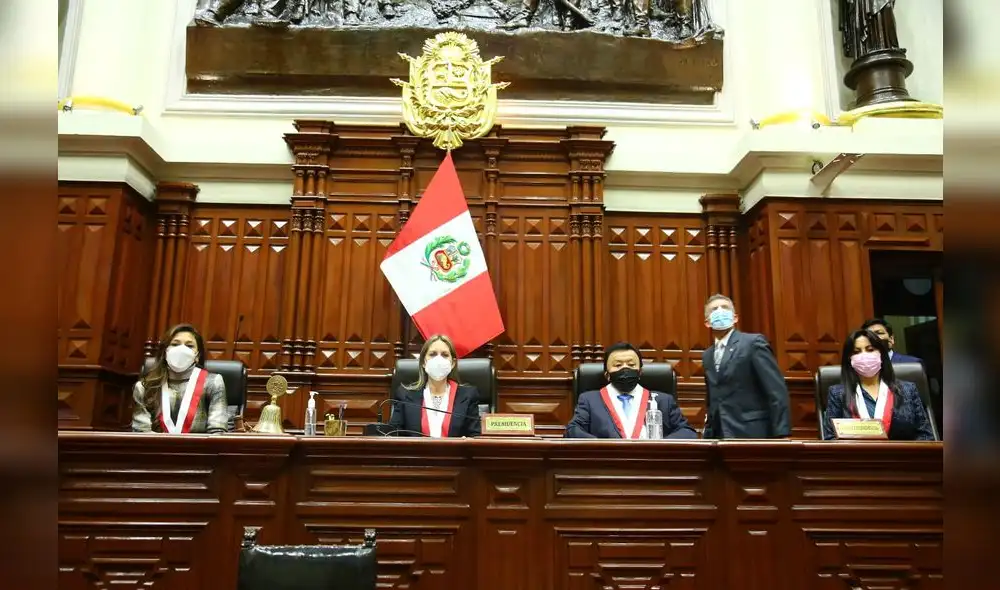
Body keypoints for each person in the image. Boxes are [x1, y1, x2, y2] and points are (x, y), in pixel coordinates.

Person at [702, 294, 790, 438]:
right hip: (719, 435)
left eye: (725, 308)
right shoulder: (707, 355)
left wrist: (782, 433)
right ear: (707, 322)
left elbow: (776, 390)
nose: (719, 311)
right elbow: (713, 398)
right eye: (714, 309)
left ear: (735, 318)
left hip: (752, 432)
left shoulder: (753, 343)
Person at [566, 342, 697, 439]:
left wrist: (660, 446)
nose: (625, 369)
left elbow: (687, 432)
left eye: (631, 365)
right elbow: (573, 431)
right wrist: (604, 448)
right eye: (618, 365)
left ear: (640, 371)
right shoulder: (590, 400)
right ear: (607, 374)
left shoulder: (663, 400)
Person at [823, 329, 934, 440]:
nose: (864, 356)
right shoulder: (837, 394)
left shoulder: (908, 390)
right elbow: (830, 438)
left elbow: (926, 436)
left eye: (870, 349)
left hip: (902, 456)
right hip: (857, 456)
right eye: (856, 352)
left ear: (881, 354)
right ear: (849, 359)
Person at [132, 323, 228, 434]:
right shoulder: (144, 387)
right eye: (175, 344)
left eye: (189, 346)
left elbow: (217, 433)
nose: (181, 349)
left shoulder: (212, 383)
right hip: (155, 449)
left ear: (197, 355)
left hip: (199, 450)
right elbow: (141, 432)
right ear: (165, 351)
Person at [388, 334, 481, 437]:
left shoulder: (468, 396)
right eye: (432, 354)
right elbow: (393, 435)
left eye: (445, 355)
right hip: (416, 452)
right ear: (423, 362)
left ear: (453, 363)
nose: (438, 359)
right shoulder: (405, 395)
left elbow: (475, 436)